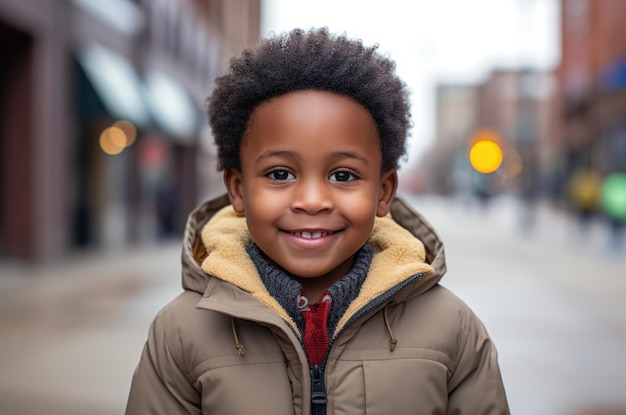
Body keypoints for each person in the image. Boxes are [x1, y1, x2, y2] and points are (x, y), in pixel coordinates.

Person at [125, 28, 510, 414]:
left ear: (383, 191)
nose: (312, 201)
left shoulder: (452, 329)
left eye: (343, 175)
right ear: (238, 189)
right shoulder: (181, 333)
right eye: (280, 174)